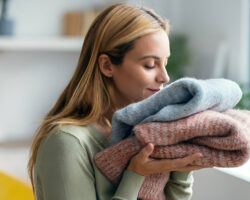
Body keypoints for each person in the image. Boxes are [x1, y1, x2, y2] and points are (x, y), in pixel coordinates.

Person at [28, 3, 203, 200]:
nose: (165, 77)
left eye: (165, 63)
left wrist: (181, 170)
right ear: (107, 65)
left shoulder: (143, 132)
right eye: (150, 65)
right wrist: (135, 175)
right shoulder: (67, 142)